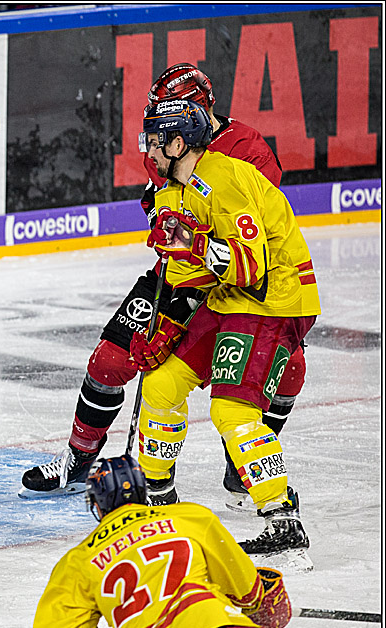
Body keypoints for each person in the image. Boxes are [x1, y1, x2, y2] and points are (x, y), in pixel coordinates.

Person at [19, 63, 306, 511]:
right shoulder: (165, 139)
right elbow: (162, 204)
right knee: (110, 359)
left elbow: (249, 236)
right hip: (180, 271)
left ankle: (246, 467)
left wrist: (189, 266)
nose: (153, 133)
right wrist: (163, 222)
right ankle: (79, 462)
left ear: (193, 114)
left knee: (288, 368)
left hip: (239, 283)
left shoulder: (247, 151)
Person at [131, 98, 319, 565]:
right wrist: (166, 323)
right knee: (160, 384)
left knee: (231, 411)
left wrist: (194, 243)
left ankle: (283, 523)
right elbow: (184, 275)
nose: (147, 150)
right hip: (227, 300)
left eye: (155, 141)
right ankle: (160, 504)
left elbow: (250, 267)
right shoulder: (172, 192)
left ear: (178, 143)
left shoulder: (225, 177)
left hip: (273, 299)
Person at [33, 455, 330, 628]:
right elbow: (249, 592)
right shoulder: (189, 518)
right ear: (143, 491)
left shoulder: (77, 562)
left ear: (96, 506)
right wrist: (267, 603)